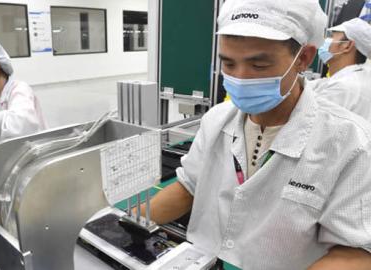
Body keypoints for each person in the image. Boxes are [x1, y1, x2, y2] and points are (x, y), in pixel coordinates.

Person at [138, 0, 371, 269]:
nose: (241, 78)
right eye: (228, 64)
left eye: (258, 66)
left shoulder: (351, 143)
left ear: (303, 58)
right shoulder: (216, 119)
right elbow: (188, 187)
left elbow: (356, 251)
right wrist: (127, 222)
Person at [311, 18, 371, 120]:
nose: (325, 41)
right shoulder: (356, 77)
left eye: (332, 36)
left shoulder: (341, 88)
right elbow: (319, 84)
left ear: (347, 46)